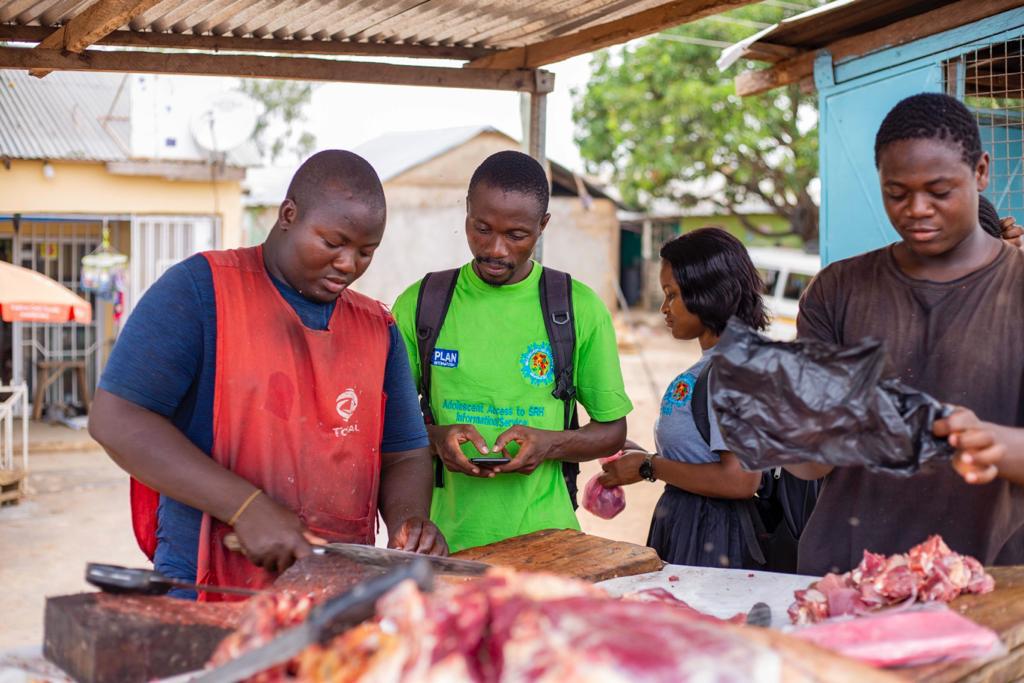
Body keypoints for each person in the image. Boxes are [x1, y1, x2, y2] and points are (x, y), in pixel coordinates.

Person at [89, 150, 446, 600]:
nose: (348, 264)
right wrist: (244, 506)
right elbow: (116, 419)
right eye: (333, 242)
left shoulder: (378, 328)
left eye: (365, 252)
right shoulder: (200, 290)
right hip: (209, 580)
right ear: (288, 215)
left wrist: (409, 524)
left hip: (337, 591)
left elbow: (406, 454)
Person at [789, 93, 1024, 575]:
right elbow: (804, 465)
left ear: (980, 172)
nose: (917, 209)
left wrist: (994, 442)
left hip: (988, 584)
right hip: (847, 577)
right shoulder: (837, 290)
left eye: (939, 191)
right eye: (897, 193)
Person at [390, 151, 632, 553]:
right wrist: (436, 438)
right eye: (481, 229)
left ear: (543, 226)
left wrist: (550, 444)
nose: (496, 250)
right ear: (466, 213)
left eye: (516, 236)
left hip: (550, 543)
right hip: (444, 546)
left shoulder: (578, 308)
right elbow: (386, 423)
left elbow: (611, 432)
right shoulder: (421, 305)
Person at [597, 228, 766, 569]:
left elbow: (741, 480)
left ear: (709, 294)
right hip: (691, 524)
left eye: (671, 294)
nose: (663, 307)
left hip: (715, 536)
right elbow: (700, 455)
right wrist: (643, 456)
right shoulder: (713, 364)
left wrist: (649, 466)